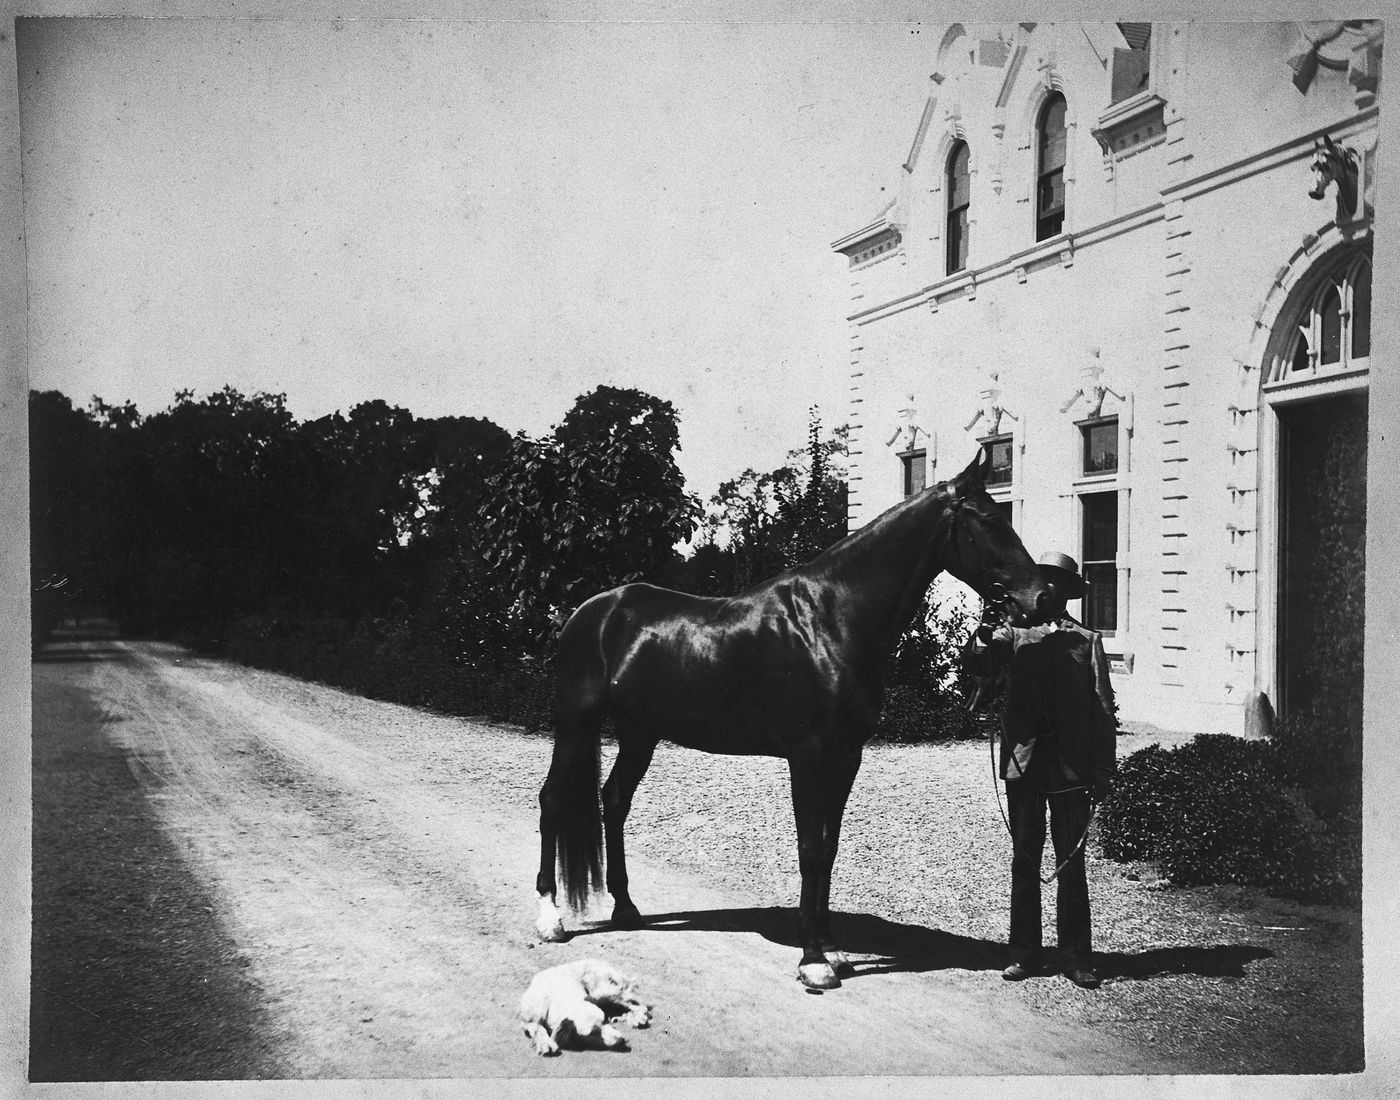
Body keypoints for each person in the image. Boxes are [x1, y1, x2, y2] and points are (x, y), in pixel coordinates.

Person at [965, 550, 1118, 989]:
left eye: (1058, 583)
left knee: (1072, 864)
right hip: (1025, 762)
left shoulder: (1087, 641)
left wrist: (1104, 768)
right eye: (1043, 580)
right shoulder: (1012, 635)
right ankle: (1024, 952)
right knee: (1025, 859)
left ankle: (1076, 957)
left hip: (1071, 767)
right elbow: (979, 665)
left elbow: (1103, 708)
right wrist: (984, 629)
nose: (1050, 589)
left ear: (1070, 592)